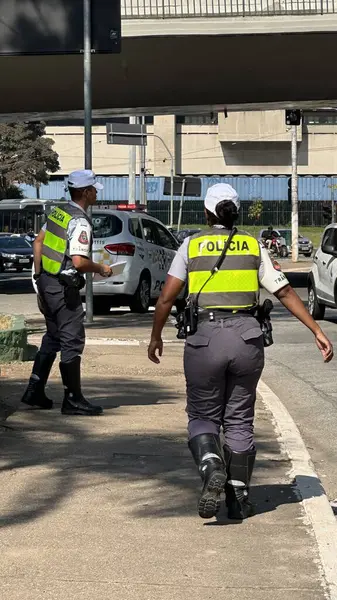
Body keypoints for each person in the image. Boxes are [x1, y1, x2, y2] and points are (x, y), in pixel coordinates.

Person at [148, 183, 333, 521]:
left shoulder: (191, 245)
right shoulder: (253, 245)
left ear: (206, 213)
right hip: (247, 340)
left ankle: (211, 465)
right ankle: (238, 499)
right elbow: (285, 291)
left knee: (203, 416)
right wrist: (317, 330)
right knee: (239, 418)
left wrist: (155, 336)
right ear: (237, 212)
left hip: (204, 340)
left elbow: (166, 297)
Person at [21, 169, 112, 416]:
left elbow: (38, 243)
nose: (95, 193)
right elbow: (80, 262)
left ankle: (34, 390)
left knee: (52, 337)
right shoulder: (80, 221)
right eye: (93, 189)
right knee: (72, 340)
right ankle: (73, 399)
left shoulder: (58, 212)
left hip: (47, 284)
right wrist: (102, 268)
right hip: (63, 290)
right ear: (85, 192)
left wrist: (39, 277)